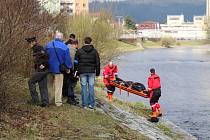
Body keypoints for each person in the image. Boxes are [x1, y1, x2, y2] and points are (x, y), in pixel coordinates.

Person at [45, 32, 72, 106]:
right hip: (59, 69)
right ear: (61, 38)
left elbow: (44, 56)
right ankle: (58, 102)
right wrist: (68, 67)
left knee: (49, 85)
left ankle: (49, 99)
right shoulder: (64, 46)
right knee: (59, 86)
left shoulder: (48, 45)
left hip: (49, 68)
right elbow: (67, 59)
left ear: (55, 37)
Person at [74, 37, 100, 109]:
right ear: (90, 42)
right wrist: (97, 73)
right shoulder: (95, 51)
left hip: (82, 72)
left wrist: (76, 72)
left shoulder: (79, 51)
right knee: (91, 87)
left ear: (84, 42)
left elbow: (75, 62)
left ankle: (84, 104)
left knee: (84, 88)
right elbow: (98, 63)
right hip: (92, 72)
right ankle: (91, 104)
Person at [26, 37, 49, 107]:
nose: (29, 44)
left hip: (41, 70)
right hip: (44, 69)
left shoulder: (38, 48)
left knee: (31, 82)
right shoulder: (37, 48)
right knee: (43, 85)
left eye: (30, 43)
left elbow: (45, 56)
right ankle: (45, 102)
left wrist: (42, 65)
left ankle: (35, 100)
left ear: (33, 42)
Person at [62, 33, 79, 105]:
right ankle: (70, 98)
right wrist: (75, 70)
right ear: (74, 43)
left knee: (65, 82)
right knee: (70, 84)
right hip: (70, 68)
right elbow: (73, 61)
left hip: (64, 68)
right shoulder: (73, 50)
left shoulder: (64, 47)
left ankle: (66, 95)